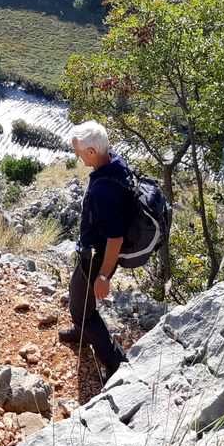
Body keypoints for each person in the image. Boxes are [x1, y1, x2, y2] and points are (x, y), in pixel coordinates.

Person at [58, 121, 132, 381]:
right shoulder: (114, 163)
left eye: (79, 152)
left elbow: (115, 238)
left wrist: (102, 276)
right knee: (77, 291)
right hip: (94, 253)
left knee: (82, 310)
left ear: (91, 152)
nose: (78, 156)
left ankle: (116, 364)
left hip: (97, 256)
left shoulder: (104, 190)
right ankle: (81, 334)